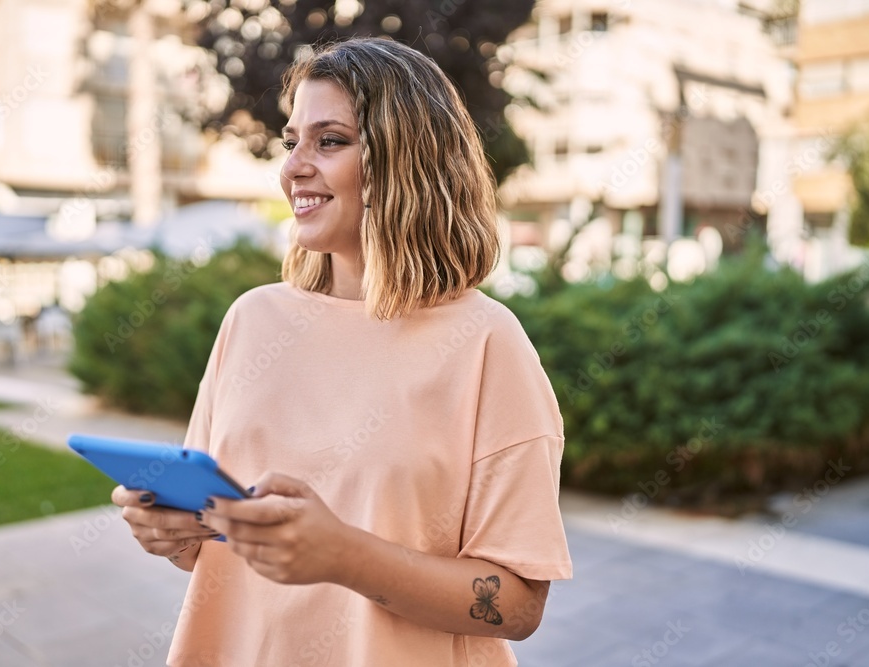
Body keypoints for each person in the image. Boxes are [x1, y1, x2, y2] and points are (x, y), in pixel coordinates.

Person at [111, 36, 572, 666]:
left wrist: (345, 555)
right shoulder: (252, 321)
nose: (294, 165)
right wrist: (172, 533)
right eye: (291, 140)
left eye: (329, 141)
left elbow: (517, 605)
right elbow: (210, 553)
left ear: (403, 162)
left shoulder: (488, 344)